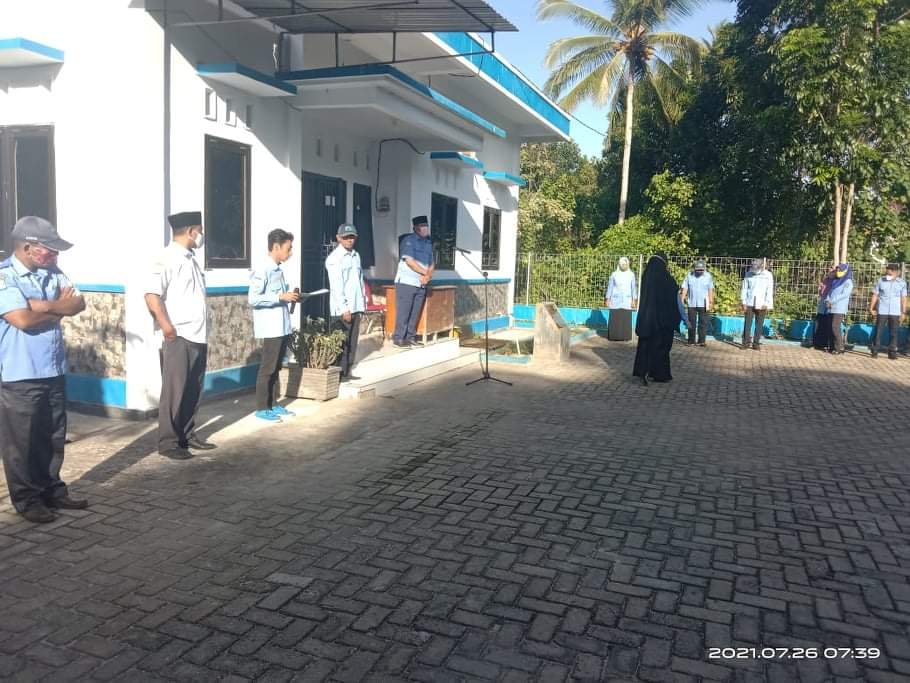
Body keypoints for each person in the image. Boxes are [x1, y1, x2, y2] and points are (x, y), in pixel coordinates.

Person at [0, 217, 88, 523]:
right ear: (28, 247)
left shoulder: (54, 272)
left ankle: (52, 490)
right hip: (20, 374)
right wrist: (58, 308)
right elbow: (22, 320)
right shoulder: (5, 277)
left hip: (53, 369)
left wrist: (41, 305)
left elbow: (79, 303)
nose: (55, 255)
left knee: (52, 436)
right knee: (21, 443)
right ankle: (28, 500)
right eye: (50, 249)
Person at [144, 211, 215, 460]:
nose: (202, 236)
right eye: (200, 231)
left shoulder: (191, 259)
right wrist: (168, 328)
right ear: (191, 231)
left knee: (193, 389)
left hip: (197, 334)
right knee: (174, 391)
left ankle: (186, 434)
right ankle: (168, 442)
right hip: (179, 335)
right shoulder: (166, 258)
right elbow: (152, 295)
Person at [249, 229, 300, 421]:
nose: (291, 252)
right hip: (271, 327)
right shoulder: (263, 269)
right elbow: (254, 298)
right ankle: (262, 407)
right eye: (288, 248)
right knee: (268, 368)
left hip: (282, 325)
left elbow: (281, 296)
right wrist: (280, 297)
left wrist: (291, 297)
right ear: (276, 247)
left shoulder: (278, 269)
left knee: (277, 366)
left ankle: (273, 403)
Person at [633, 254, 687, 386]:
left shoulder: (646, 277)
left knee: (646, 347)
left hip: (647, 320)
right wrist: (684, 317)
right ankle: (660, 373)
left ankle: (643, 371)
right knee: (661, 348)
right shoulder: (668, 280)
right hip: (663, 322)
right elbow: (676, 301)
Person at [325, 223, 365, 380]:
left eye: (352, 237)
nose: (350, 240)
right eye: (346, 237)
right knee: (342, 342)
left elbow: (359, 281)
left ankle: (347, 371)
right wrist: (344, 308)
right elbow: (336, 286)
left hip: (356, 305)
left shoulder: (356, 256)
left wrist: (362, 303)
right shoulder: (335, 258)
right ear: (339, 238)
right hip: (342, 309)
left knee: (352, 342)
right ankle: (338, 375)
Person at [392, 215, 434, 348]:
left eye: (426, 225)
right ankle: (398, 338)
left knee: (415, 312)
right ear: (415, 228)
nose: (425, 228)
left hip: (421, 283)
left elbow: (432, 263)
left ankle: (410, 337)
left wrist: (428, 276)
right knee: (404, 311)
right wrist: (425, 273)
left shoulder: (428, 243)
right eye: (422, 226)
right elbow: (409, 261)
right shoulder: (408, 241)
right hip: (407, 282)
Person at [869, 263, 907, 360]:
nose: (888, 275)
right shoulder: (881, 280)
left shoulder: (902, 283)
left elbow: (903, 298)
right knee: (878, 331)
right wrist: (871, 308)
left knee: (894, 332)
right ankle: (875, 350)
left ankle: (892, 352)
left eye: (890, 273)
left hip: (895, 311)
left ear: (896, 272)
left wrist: (903, 312)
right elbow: (875, 295)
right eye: (887, 273)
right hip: (882, 310)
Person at [741, 258, 774, 350]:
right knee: (747, 323)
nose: (754, 270)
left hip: (761, 303)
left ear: (761, 267)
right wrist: (743, 302)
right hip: (749, 302)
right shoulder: (748, 274)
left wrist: (766, 303)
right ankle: (745, 343)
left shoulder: (768, 275)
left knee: (759, 324)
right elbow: (744, 288)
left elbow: (769, 290)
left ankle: (756, 343)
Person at [681, 259, 715, 346]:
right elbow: (685, 287)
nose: (699, 271)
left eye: (701, 270)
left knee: (703, 323)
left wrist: (711, 302)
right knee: (691, 322)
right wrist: (682, 299)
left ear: (704, 269)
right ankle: (691, 341)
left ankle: (701, 341)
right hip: (692, 303)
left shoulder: (708, 276)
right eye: (697, 270)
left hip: (704, 303)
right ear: (694, 268)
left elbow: (710, 289)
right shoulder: (689, 275)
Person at [822, 263, 853, 355]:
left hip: (840, 308)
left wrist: (832, 301)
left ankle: (840, 347)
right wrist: (827, 300)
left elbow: (844, 294)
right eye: (837, 270)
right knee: (829, 327)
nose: (838, 271)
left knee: (835, 327)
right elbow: (830, 292)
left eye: (840, 270)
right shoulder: (835, 280)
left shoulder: (848, 282)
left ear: (845, 271)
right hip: (831, 307)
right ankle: (832, 346)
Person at [604, 257, 637, 341]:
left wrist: (634, 300)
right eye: (622, 264)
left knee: (625, 318)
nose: (624, 265)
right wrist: (607, 299)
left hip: (627, 300)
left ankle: (625, 337)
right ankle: (613, 336)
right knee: (615, 318)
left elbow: (633, 288)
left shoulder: (631, 274)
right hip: (615, 299)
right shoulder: (614, 274)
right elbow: (610, 287)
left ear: (628, 264)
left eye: (625, 264)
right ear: (619, 264)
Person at [812, 264, 838, 351]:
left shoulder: (836, 281)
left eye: (832, 270)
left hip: (830, 304)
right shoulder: (825, 280)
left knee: (828, 324)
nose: (830, 271)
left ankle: (826, 344)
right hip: (822, 304)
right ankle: (818, 343)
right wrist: (820, 289)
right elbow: (821, 293)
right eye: (829, 269)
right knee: (819, 323)